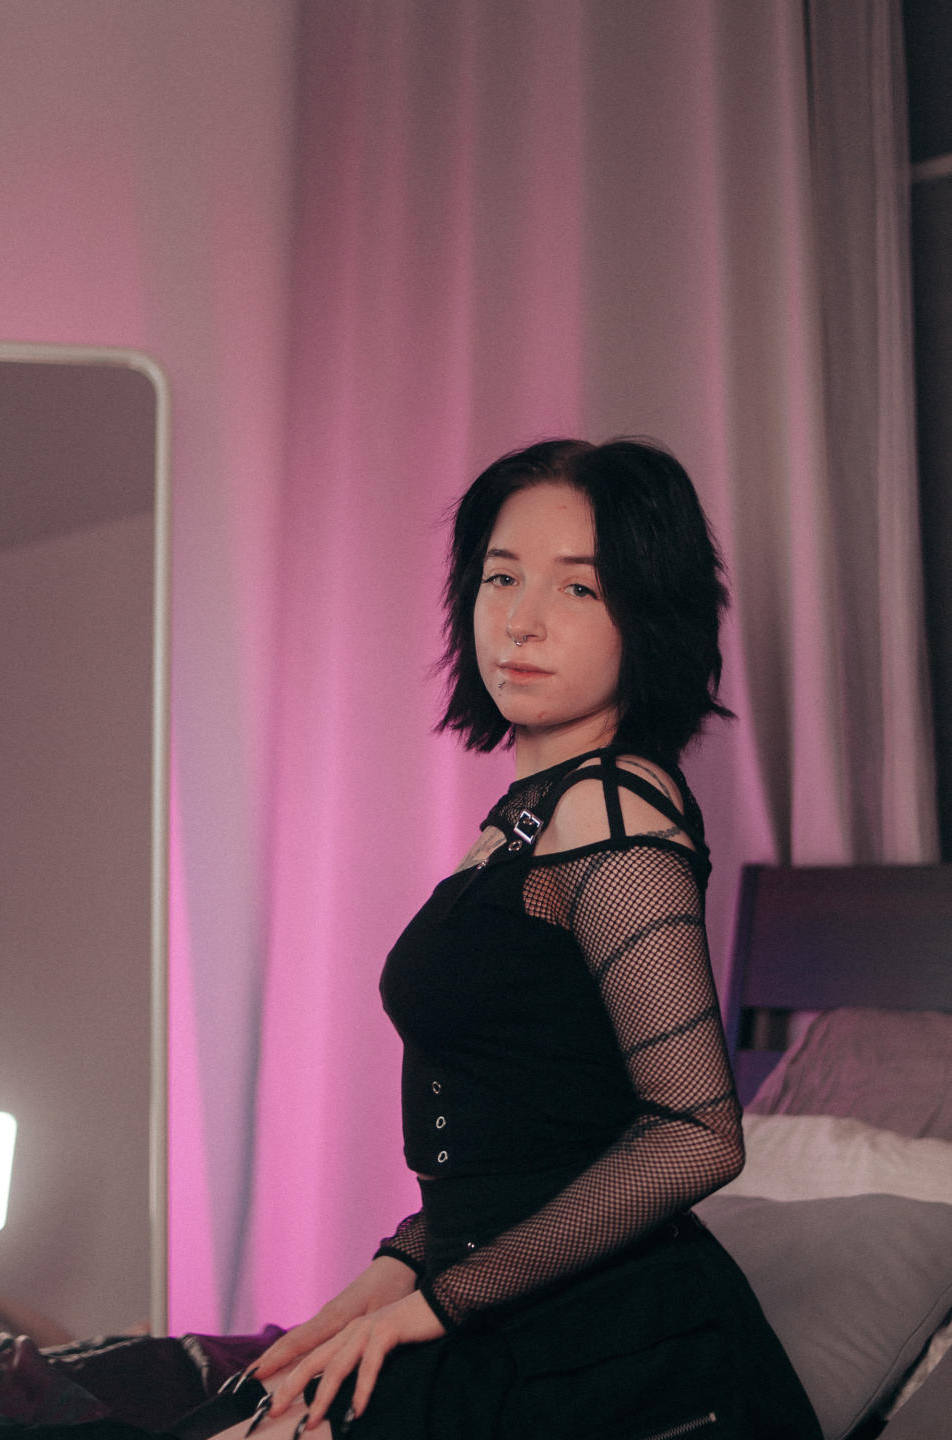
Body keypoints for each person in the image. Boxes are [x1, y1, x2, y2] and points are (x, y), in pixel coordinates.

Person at [242, 439, 822, 1440]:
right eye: (500, 577)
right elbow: (527, 1137)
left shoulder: (614, 808)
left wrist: (434, 1305)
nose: (520, 620)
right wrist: (388, 1278)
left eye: (578, 588)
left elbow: (694, 1132)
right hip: (497, 1292)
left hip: (610, 1339)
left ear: (648, 618)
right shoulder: (528, 818)